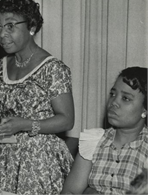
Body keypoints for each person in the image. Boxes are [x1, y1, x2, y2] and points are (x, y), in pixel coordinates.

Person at [0, 0, 75, 195]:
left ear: (31, 27)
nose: (2, 34)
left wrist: (26, 124)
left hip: (41, 162)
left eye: (11, 26)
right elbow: (3, 114)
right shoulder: (2, 65)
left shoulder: (53, 68)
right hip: (5, 157)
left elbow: (66, 120)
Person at [61, 66, 148, 195]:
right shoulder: (95, 141)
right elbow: (70, 192)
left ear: (145, 110)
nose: (114, 102)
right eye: (113, 94)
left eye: (126, 98)